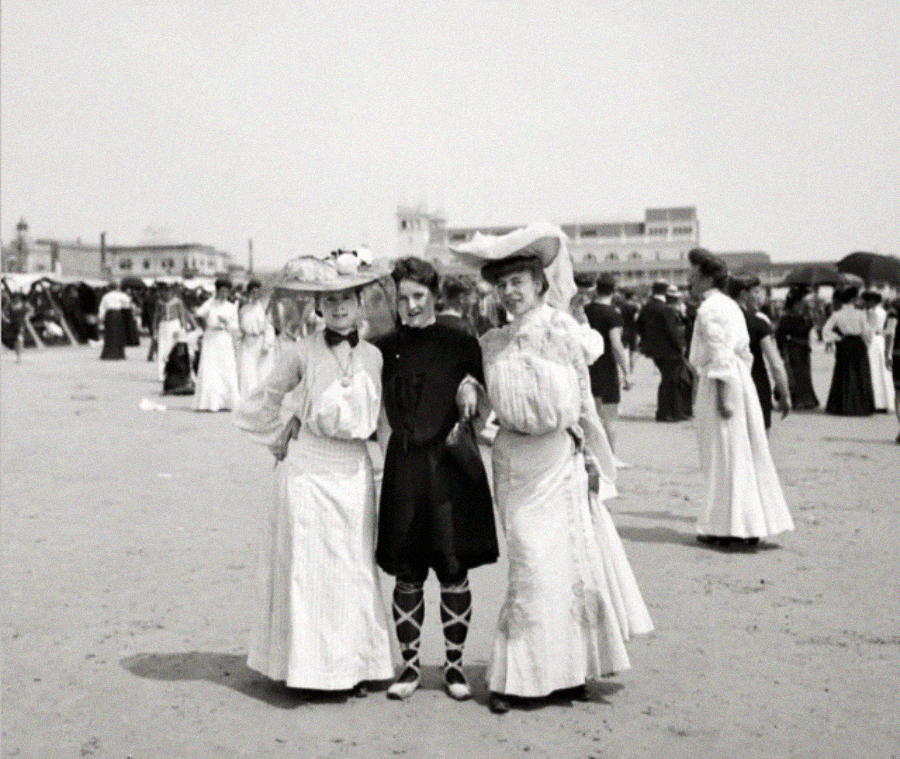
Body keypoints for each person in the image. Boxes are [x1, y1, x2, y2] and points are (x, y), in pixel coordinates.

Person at [451, 224, 652, 714]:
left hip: (558, 461)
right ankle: (518, 676)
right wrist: (471, 388)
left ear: (540, 284)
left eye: (518, 282)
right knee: (528, 566)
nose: (509, 292)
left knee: (562, 568)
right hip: (514, 461)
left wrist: (591, 460)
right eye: (501, 285)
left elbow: (582, 400)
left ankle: (565, 672)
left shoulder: (562, 330)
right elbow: (485, 391)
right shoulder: (492, 340)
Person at [233, 253, 393, 694]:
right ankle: (309, 671)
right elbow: (265, 397)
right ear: (318, 306)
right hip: (308, 471)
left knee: (352, 568)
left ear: (361, 302)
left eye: (347, 298)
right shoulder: (300, 352)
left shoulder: (376, 356)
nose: (339, 307)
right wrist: (284, 426)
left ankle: (354, 667)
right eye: (330, 299)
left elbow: (382, 422)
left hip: (353, 470)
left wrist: (394, 470)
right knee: (310, 570)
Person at [374, 256, 499, 702]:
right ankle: (408, 667)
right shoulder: (383, 347)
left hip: (449, 466)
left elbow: (489, 395)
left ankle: (453, 667)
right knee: (406, 574)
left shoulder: (460, 339)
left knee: (452, 571)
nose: (409, 306)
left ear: (434, 295)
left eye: (418, 297)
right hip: (404, 468)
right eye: (403, 298)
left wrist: (472, 385)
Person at [687, 248, 794, 548]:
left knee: (723, 454)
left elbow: (721, 354)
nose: (690, 280)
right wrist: (739, 384)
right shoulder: (730, 306)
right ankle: (742, 523)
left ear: (707, 277)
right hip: (738, 379)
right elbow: (743, 353)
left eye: (694, 274)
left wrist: (724, 395)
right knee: (742, 453)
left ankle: (730, 527)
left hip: (722, 381)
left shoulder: (710, 310)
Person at [728, 275, 791, 430]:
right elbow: (775, 364)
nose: (760, 297)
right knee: (759, 440)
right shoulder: (758, 323)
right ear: (743, 295)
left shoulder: (722, 321)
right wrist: (785, 395)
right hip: (755, 384)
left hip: (728, 386)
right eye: (756, 292)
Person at [584, 274, 632, 464]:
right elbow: (616, 345)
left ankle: (591, 454)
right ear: (614, 290)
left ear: (597, 288)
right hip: (606, 368)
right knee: (610, 417)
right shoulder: (612, 314)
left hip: (588, 366)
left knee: (591, 414)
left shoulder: (586, 310)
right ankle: (610, 457)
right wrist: (627, 371)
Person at [637, 280, 692, 421]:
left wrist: (648, 342)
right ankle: (668, 412)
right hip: (670, 350)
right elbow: (671, 331)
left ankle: (670, 411)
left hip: (655, 350)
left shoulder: (647, 307)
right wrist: (680, 347)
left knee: (668, 379)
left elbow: (639, 326)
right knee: (672, 380)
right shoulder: (666, 308)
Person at [822, 286, 875, 416]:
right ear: (853, 298)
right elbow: (867, 332)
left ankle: (841, 406)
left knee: (844, 373)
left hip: (845, 344)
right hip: (858, 344)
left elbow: (826, 330)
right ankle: (861, 406)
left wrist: (837, 338)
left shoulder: (837, 314)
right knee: (860, 373)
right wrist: (867, 343)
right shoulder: (860, 314)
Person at [194, 278, 240, 412]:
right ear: (217, 291)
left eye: (227, 292)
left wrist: (227, 323)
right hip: (211, 339)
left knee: (225, 367)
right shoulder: (210, 304)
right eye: (222, 291)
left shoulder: (231, 307)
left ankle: (227, 402)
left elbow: (235, 326)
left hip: (224, 338)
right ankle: (209, 402)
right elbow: (198, 314)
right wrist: (204, 326)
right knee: (211, 368)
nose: (224, 294)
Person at [775, 289, 820, 410]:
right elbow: (780, 335)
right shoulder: (786, 317)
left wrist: (810, 318)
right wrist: (781, 351)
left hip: (804, 348)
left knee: (805, 374)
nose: (801, 305)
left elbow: (809, 328)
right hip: (792, 348)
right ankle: (793, 399)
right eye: (798, 303)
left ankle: (806, 399)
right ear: (793, 303)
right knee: (793, 374)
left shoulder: (804, 316)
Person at [237, 280, 276, 398]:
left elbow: (269, 327)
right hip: (247, 343)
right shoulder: (243, 309)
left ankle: (260, 397)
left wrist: (267, 343)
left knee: (262, 371)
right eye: (253, 292)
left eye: (257, 292)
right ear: (249, 293)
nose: (255, 294)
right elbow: (239, 326)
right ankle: (248, 397)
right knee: (247, 371)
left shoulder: (264, 308)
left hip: (260, 342)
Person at [861, 291, 895, 413]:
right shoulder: (883, 312)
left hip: (872, 341)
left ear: (872, 301)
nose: (864, 303)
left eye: (866, 300)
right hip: (880, 340)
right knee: (880, 371)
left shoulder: (872, 313)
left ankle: (875, 401)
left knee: (873, 370)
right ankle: (883, 401)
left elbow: (868, 329)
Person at [153, 284, 193, 381]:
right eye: (164, 291)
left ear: (172, 292)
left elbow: (182, 314)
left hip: (174, 324)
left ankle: (176, 372)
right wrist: (154, 331)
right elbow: (156, 317)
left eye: (168, 291)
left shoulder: (177, 302)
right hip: (163, 325)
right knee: (162, 348)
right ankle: (162, 373)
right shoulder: (159, 302)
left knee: (175, 347)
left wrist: (183, 327)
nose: (166, 293)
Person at [97, 281, 135, 360]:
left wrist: (101, 317)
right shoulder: (121, 295)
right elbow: (128, 303)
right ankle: (119, 354)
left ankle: (108, 354)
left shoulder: (106, 296)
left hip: (109, 315)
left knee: (109, 334)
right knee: (119, 334)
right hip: (118, 315)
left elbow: (102, 308)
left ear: (109, 288)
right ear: (117, 287)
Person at [884, 299, 900, 442]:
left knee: (899, 392)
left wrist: (886, 353)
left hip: (898, 353)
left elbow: (890, 332)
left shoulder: (895, 310)